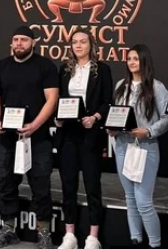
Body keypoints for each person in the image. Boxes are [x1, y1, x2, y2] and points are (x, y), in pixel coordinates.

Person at [0, 26, 59, 249]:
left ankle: (43, 232)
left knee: (41, 185)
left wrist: (34, 126)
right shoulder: (2, 66)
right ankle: (8, 229)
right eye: (16, 39)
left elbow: (52, 99)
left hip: (37, 138)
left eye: (24, 40)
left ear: (33, 43)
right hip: (6, 138)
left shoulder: (45, 66)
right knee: (6, 184)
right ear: (11, 43)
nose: (19, 43)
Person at [109, 44, 168, 248]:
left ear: (144, 61)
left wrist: (148, 131)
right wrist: (112, 128)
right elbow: (116, 114)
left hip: (146, 146)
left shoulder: (157, 87)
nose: (131, 62)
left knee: (144, 201)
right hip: (122, 145)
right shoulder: (121, 85)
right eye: (129, 58)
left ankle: (155, 244)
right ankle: (135, 239)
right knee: (130, 198)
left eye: (135, 58)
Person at [55, 28, 113, 249]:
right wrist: (58, 119)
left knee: (92, 185)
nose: (78, 46)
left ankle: (93, 237)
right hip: (68, 133)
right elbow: (58, 100)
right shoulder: (64, 69)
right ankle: (69, 235)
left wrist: (95, 117)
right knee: (68, 185)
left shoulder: (102, 70)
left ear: (91, 45)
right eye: (75, 42)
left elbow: (107, 101)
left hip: (90, 133)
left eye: (83, 42)